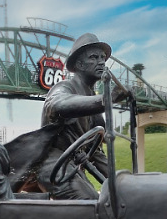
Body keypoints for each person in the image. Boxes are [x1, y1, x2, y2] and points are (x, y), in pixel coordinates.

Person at [34, 33, 128, 200]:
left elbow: (97, 152)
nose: (101, 62)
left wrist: (124, 183)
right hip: (54, 167)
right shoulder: (64, 87)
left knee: (108, 201)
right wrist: (105, 99)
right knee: (90, 202)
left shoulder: (90, 98)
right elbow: (56, 104)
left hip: (74, 167)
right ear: (79, 64)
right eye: (93, 57)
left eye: (102, 58)